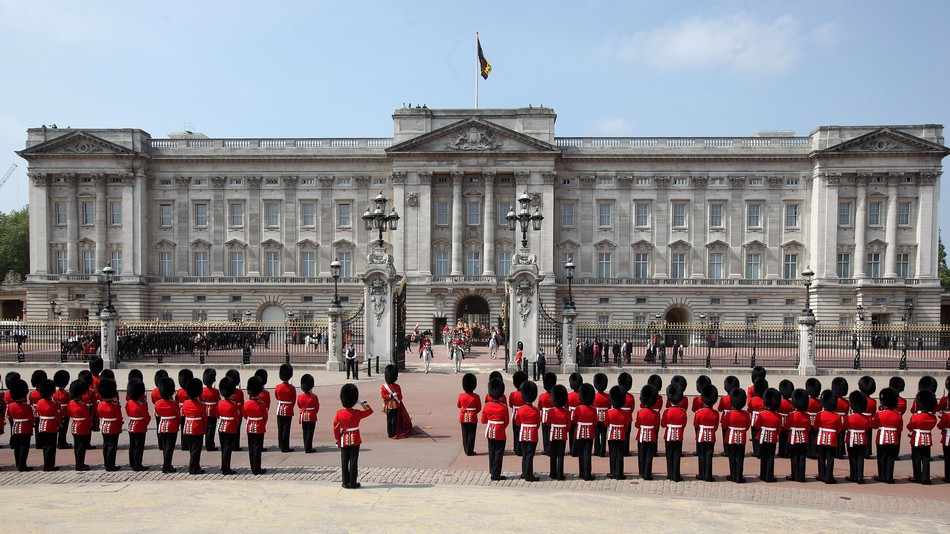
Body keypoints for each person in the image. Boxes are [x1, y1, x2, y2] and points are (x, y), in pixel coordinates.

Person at [334, 383, 374, 489]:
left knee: (344, 461)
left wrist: (337, 438)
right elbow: (370, 411)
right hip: (355, 439)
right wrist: (360, 401)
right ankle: (353, 482)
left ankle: (345, 482)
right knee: (354, 461)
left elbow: (335, 427)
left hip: (343, 439)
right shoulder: (357, 413)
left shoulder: (339, 413)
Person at [872, 387, 903, 484]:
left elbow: (874, 426)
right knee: (891, 457)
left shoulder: (879, 414)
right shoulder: (898, 415)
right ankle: (889, 477)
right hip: (893, 438)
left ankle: (882, 476)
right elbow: (899, 429)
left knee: (881, 457)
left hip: (881, 437)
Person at [482, 378, 510, 481]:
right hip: (500, 431)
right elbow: (506, 422)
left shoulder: (487, 406)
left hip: (490, 430)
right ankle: (496, 473)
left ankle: (492, 470)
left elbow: (483, 420)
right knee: (499, 452)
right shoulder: (503, 408)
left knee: (492, 451)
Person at [907, 390, 937, 485]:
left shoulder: (916, 417)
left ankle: (917, 476)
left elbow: (909, 427)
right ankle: (925, 478)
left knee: (916, 457)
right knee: (926, 458)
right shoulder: (933, 417)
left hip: (916, 438)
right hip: (927, 439)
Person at [721, 389, 750, 483]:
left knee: (732, 456)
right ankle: (739, 476)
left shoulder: (729, 415)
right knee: (740, 457)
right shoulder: (746, 415)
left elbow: (724, 426)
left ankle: (733, 475)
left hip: (730, 438)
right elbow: (747, 427)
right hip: (742, 438)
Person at [754, 388, 782, 483]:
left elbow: (757, 426)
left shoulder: (762, 414)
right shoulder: (778, 416)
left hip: (762, 437)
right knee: (770, 457)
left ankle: (762, 474)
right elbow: (779, 430)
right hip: (772, 438)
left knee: (763, 457)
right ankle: (769, 476)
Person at [515, 380, 541, 481]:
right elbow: (538, 424)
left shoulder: (520, 410)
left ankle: (524, 472)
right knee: (530, 455)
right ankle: (528, 475)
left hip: (523, 433)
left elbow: (517, 423)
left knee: (525, 454)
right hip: (533, 434)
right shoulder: (536, 411)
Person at [814, 390, 843, 484]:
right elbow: (839, 430)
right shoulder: (837, 417)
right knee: (830, 458)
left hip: (821, 438)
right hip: (832, 439)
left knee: (821, 457)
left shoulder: (819, 415)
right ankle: (829, 477)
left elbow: (815, 427)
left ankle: (821, 475)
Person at [661, 383, 687, 482]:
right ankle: (676, 475)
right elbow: (683, 425)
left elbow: (663, 424)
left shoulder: (666, 411)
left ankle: (670, 474)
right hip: (678, 435)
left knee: (669, 454)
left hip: (668, 435)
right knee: (677, 454)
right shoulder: (682, 412)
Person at [182, 377, 208, 474]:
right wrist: (204, 427)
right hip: (197, 428)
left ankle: (196, 466)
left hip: (188, 427)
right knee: (196, 449)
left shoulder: (185, 403)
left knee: (192, 449)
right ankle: (193, 468)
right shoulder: (201, 405)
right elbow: (205, 418)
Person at [605, 385, 631, 480]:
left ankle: (612, 472)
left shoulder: (609, 412)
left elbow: (606, 423)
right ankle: (619, 473)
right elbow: (626, 425)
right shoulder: (626, 414)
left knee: (612, 453)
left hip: (611, 434)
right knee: (620, 454)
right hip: (621, 435)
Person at [694, 384, 720, 482]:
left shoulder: (699, 412)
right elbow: (716, 426)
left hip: (701, 435)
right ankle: (708, 475)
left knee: (701, 454)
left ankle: (701, 474)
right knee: (709, 454)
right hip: (711, 435)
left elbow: (696, 424)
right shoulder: (716, 413)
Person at [785, 389, 811, 483]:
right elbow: (808, 429)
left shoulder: (791, 415)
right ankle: (801, 476)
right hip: (803, 438)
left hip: (793, 438)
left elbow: (787, 427)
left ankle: (794, 475)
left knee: (794, 456)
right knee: (802, 457)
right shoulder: (807, 416)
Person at [97, 378, 123, 471]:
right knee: (112, 446)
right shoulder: (114, 406)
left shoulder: (100, 405)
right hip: (113, 426)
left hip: (104, 426)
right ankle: (110, 465)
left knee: (106, 445)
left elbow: (100, 415)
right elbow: (119, 418)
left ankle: (106, 463)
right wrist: (120, 424)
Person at [381, 365, 414, 439]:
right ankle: (393, 432)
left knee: (389, 419)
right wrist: (392, 396)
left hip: (388, 405)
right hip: (395, 405)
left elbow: (383, 395)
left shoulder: (383, 387)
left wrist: (390, 396)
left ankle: (390, 433)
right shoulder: (397, 386)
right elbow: (400, 397)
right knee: (394, 419)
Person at [244, 376, 269, 475]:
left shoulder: (246, 404)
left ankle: (252, 467)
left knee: (251, 447)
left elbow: (245, 416)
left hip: (250, 426)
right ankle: (257, 468)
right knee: (257, 447)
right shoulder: (262, 404)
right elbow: (265, 417)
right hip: (259, 426)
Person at [154, 377, 179, 473]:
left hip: (162, 426)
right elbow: (177, 416)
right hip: (171, 426)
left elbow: (157, 414)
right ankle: (167, 466)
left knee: (165, 446)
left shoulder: (158, 404)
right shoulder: (173, 404)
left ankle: (167, 463)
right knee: (169, 447)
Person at [573, 383, 597, 481]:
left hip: (579, 432)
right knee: (587, 453)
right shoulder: (593, 410)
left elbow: (574, 420)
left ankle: (581, 473)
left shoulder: (578, 409)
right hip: (590, 432)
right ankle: (587, 474)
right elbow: (595, 422)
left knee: (581, 453)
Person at [635, 384, 660, 481]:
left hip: (641, 435)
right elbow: (656, 426)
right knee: (649, 455)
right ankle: (647, 473)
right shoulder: (655, 414)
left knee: (641, 454)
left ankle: (641, 472)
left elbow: (637, 425)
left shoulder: (640, 412)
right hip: (651, 436)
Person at [125, 379, 151, 471]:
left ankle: (132, 462)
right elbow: (147, 417)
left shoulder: (128, 403)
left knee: (132, 445)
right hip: (139, 426)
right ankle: (137, 465)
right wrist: (145, 424)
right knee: (138, 447)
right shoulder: (140, 405)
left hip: (131, 425)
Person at [845, 390, 870, 484]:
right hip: (862, 439)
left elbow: (844, 427)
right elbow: (867, 429)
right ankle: (860, 477)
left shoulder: (850, 417)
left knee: (852, 457)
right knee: (860, 457)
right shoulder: (866, 418)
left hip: (851, 438)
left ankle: (853, 475)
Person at [216, 376, 240, 474]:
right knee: (227, 448)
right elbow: (236, 418)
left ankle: (223, 465)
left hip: (221, 426)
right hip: (230, 427)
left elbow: (217, 415)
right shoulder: (233, 404)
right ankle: (226, 468)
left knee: (223, 447)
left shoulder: (220, 403)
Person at [8, 379, 33, 471]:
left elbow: (10, 416)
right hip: (25, 428)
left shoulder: (11, 406)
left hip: (15, 428)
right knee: (24, 447)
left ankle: (18, 463)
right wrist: (32, 424)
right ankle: (22, 465)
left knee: (17, 447)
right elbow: (31, 418)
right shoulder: (27, 407)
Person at [35, 379, 60, 471]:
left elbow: (37, 412)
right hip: (51, 426)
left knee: (45, 446)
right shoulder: (53, 404)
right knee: (51, 446)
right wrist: (60, 424)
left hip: (42, 426)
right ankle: (49, 465)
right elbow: (57, 416)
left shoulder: (39, 402)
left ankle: (46, 463)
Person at [67, 379, 91, 471]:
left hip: (74, 426)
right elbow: (88, 418)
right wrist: (91, 424)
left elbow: (69, 413)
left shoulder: (70, 403)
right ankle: (79, 465)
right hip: (82, 427)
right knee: (81, 447)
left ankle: (79, 463)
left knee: (77, 447)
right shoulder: (83, 405)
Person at [547, 385, 570, 480]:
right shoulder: (567, 412)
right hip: (563, 435)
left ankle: (553, 473)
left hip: (553, 434)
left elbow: (548, 423)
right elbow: (568, 427)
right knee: (561, 455)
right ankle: (560, 474)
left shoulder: (551, 412)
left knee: (553, 454)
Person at [457, 373, 481, 456]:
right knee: (472, 433)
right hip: (473, 416)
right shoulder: (476, 397)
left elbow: (459, 405)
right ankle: (470, 450)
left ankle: (466, 449)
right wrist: (474, 412)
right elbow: (479, 408)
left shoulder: (461, 396)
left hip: (463, 416)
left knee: (464, 433)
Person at [275, 363, 296, 453]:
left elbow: (276, 396)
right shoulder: (291, 388)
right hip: (288, 409)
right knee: (286, 428)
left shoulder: (278, 387)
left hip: (280, 408)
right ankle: (285, 446)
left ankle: (280, 444)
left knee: (280, 427)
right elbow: (293, 400)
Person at [297, 374, 320, 454]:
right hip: (312, 415)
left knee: (305, 431)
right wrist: (314, 413)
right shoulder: (314, 397)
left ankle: (306, 446)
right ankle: (308, 448)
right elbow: (317, 407)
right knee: (310, 432)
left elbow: (299, 405)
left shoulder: (300, 397)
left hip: (303, 415)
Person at [200, 369, 220, 452]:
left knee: (205, 428)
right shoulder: (215, 391)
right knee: (211, 430)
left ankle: (206, 444)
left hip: (204, 411)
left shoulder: (202, 391)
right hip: (212, 411)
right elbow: (218, 401)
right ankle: (210, 445)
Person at [616, 372, 636, 457]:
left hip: (618, 416)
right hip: (627, 416)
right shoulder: (630, 397)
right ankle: (625, 451)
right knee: (626, 435)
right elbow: (632, 408)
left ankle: (617, 449)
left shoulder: (618, 394)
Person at [509, 371, 528, 457]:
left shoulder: (513, 394)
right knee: (522, 431)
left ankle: (516, 448)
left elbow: (510, 405)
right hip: (524, 415)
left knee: (516, 432)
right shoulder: (525, 394)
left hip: (515, 415)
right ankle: (521, 448)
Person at [52, 370, 72, 450]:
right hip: (65, 413)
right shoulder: (66, 394)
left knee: (59, 429)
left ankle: (61, 442)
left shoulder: (55, 393)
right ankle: (62, 443)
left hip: (57, 413)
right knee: (63, 430)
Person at [538, 373, 557, 455]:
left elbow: (539, 407)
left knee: (545, 434)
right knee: (552, 433)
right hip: (554, 416)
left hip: (545, 417)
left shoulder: (542, 396)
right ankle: (552, 448)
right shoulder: (555, 395)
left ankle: (546, 448)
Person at [592, 373, 610, 457]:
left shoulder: (595, 396)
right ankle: (602, 451)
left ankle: (597, 450)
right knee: (603, 434)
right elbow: (609, 407)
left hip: (596, 416)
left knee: (596, 434)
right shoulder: (608, 397)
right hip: (605, 416)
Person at [566, 372, 583, 457]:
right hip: (580, 415)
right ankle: (577, 449)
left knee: (572, 433)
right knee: (578, 433)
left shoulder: (569, 396)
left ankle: (572, 449)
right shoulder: (582, 395)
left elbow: (566, 406)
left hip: (571, 415)